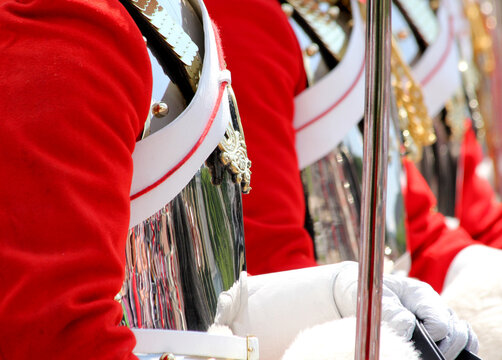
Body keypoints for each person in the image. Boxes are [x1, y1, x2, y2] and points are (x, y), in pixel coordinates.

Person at [0, 0, 480, 359]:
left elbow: (210, 308)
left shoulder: (173, 12)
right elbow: (57, 335)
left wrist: (327, 299)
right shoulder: (67, 23)